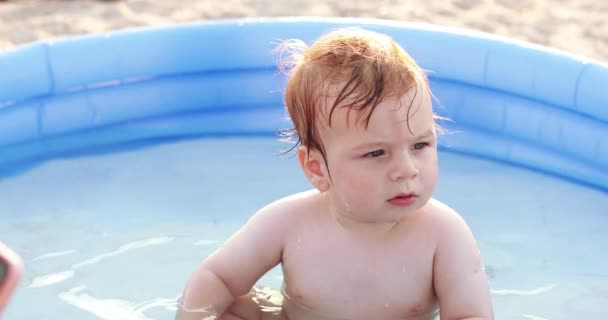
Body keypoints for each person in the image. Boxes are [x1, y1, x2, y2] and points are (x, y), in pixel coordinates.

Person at [177, 27, 494, 320]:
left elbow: (471, 315)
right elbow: (217, 277)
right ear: (317, 168)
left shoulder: (444, 234)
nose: (406, 170)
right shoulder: (287, 223)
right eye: (376, 153)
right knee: (236, 307)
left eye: (420, 145)